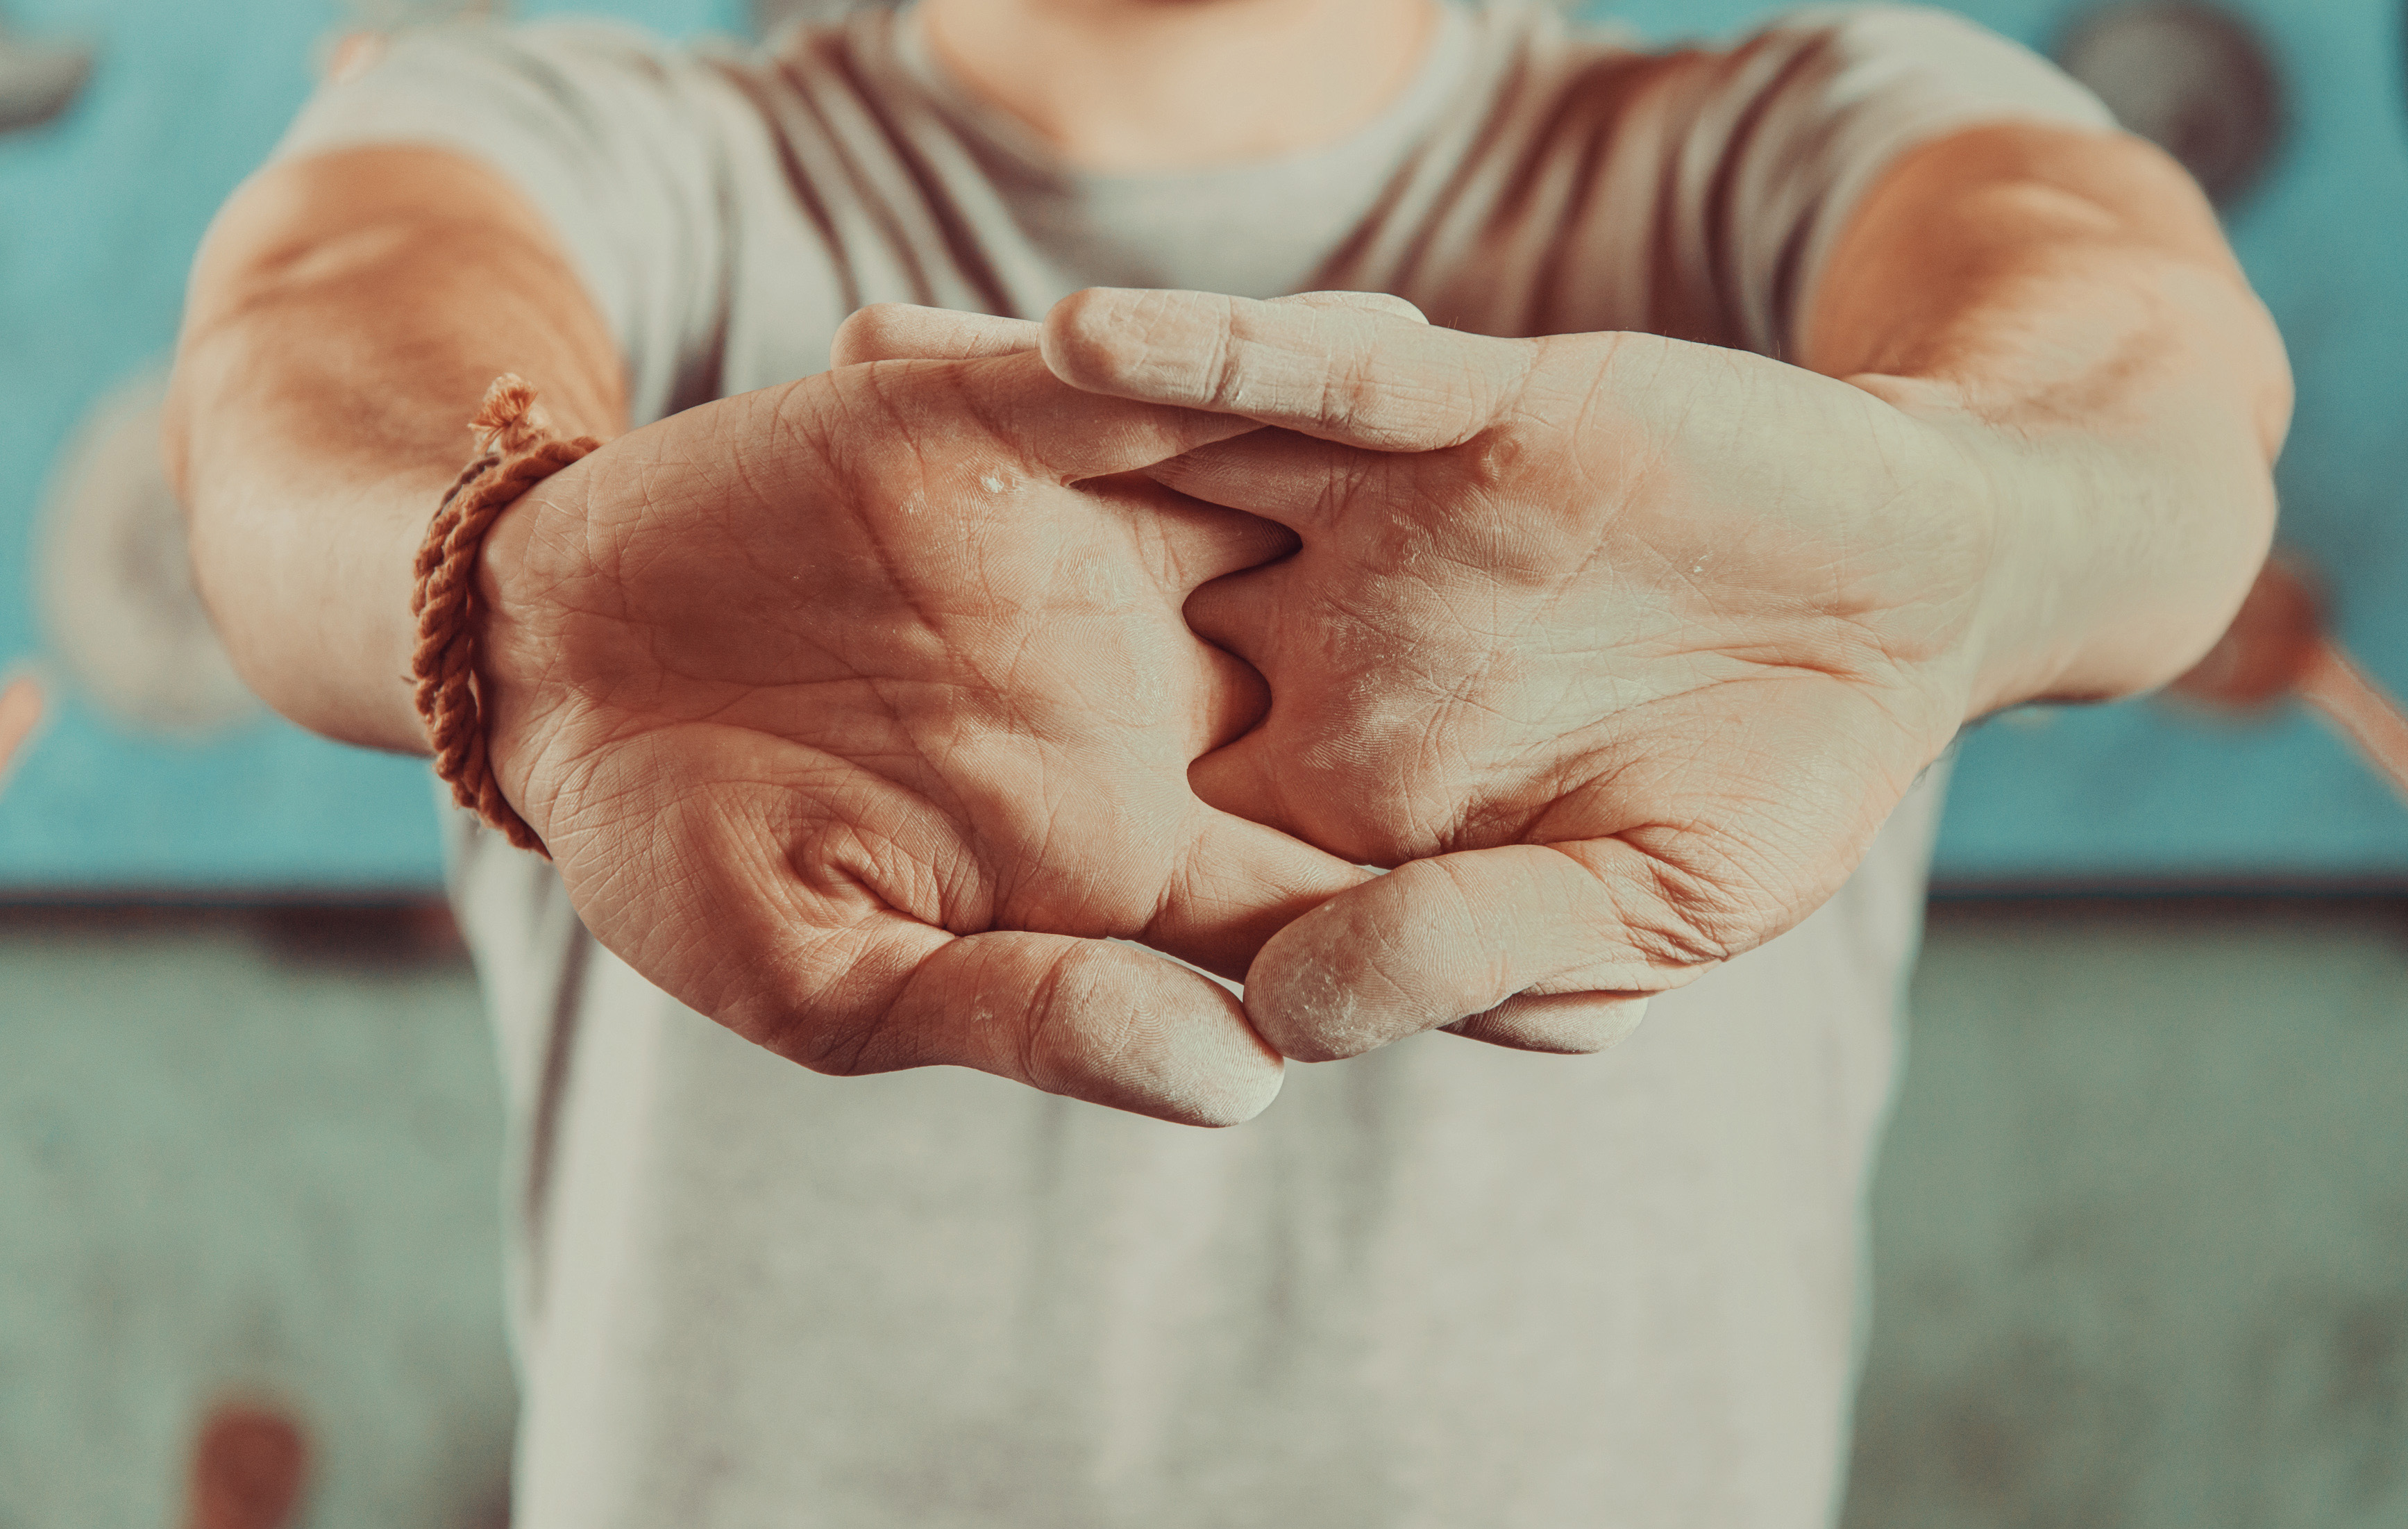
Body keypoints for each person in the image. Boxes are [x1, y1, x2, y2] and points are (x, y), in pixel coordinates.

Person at [165, 0, 2290, 1520]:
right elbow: (317, 358)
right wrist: (518, 585)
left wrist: (1964, 538)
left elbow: (2127, 355)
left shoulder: (1807, 125)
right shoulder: (588, 127)